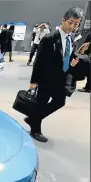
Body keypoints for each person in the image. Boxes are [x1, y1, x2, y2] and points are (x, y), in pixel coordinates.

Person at [25, 6, 84, 142]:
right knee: (41, 102)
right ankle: (35, 130)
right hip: (46, 78)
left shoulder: (71, 38)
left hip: (61, 77)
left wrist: (72, 63)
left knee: (59, 102)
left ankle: (33, 118)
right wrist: (34, 82)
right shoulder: (49, 39)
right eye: (70, 22)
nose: (72, 26)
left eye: (76, 24)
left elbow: (66, 55)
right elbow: (38, 62)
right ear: (63, 20)